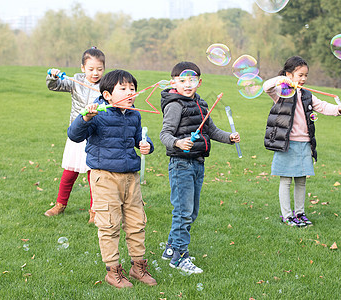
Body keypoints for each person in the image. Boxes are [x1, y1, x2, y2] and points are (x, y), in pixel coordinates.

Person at [67, 69, 157, 289]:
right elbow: (74, 134)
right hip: (104, 177)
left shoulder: (134, 114)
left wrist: (146, 146)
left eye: (132, 89)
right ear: (107, 95)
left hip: (131, 178)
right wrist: (86, 117)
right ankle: (113, 271)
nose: (130, 93)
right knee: (109, 224)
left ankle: (138, 267)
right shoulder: (98, 113)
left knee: (137, 222)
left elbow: (140, 138)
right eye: (123, 89)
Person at [159, 61, 241, 274]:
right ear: (173, 82)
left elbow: (211, 130)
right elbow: (165, 134)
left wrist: (229, 138)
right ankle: (179, 257)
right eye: (183, 80)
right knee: (183, 212)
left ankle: (170, 248)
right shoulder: (175, 105)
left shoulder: (201, 104)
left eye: (192, 80)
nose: (188, 84)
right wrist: (178, 143)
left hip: (197, 163)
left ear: (199, 82)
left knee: (191, 212)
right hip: (181, 165)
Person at [263, 56, 341, 227]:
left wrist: (337, 109)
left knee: (301, 180)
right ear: (289, 75)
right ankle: (287, 215)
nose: (303, 79)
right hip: (286, 144)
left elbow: (322, 106)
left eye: (305, 75)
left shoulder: (307, 95)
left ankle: (299, 213)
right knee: (286, 180)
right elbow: (266, 87)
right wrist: (282, 80)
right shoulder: (281, 92)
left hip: (304, 143)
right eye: (299, 75)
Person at [44, 47, 105, 223]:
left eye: (99, 69)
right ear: (82, 68)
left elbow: (116, 98)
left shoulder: (106, 85)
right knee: (70, 172)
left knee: (93, 174)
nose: (95, 73)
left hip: (96, 135)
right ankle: (60, 205)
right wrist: (53, 76)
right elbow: (54, 86)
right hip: (77, 132)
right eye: (91, 69)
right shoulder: (75, 81)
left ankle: (95, 211)